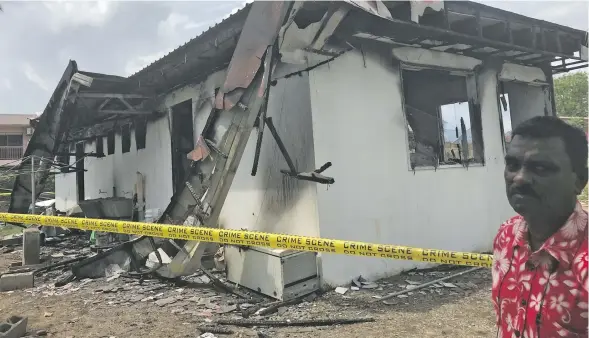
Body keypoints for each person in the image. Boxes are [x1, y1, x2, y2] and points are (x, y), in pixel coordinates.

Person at [492, 116, 588, 338]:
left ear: (580, 180)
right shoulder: (506, 236)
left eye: (541, 168)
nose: (520, 178)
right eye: (513, 165)